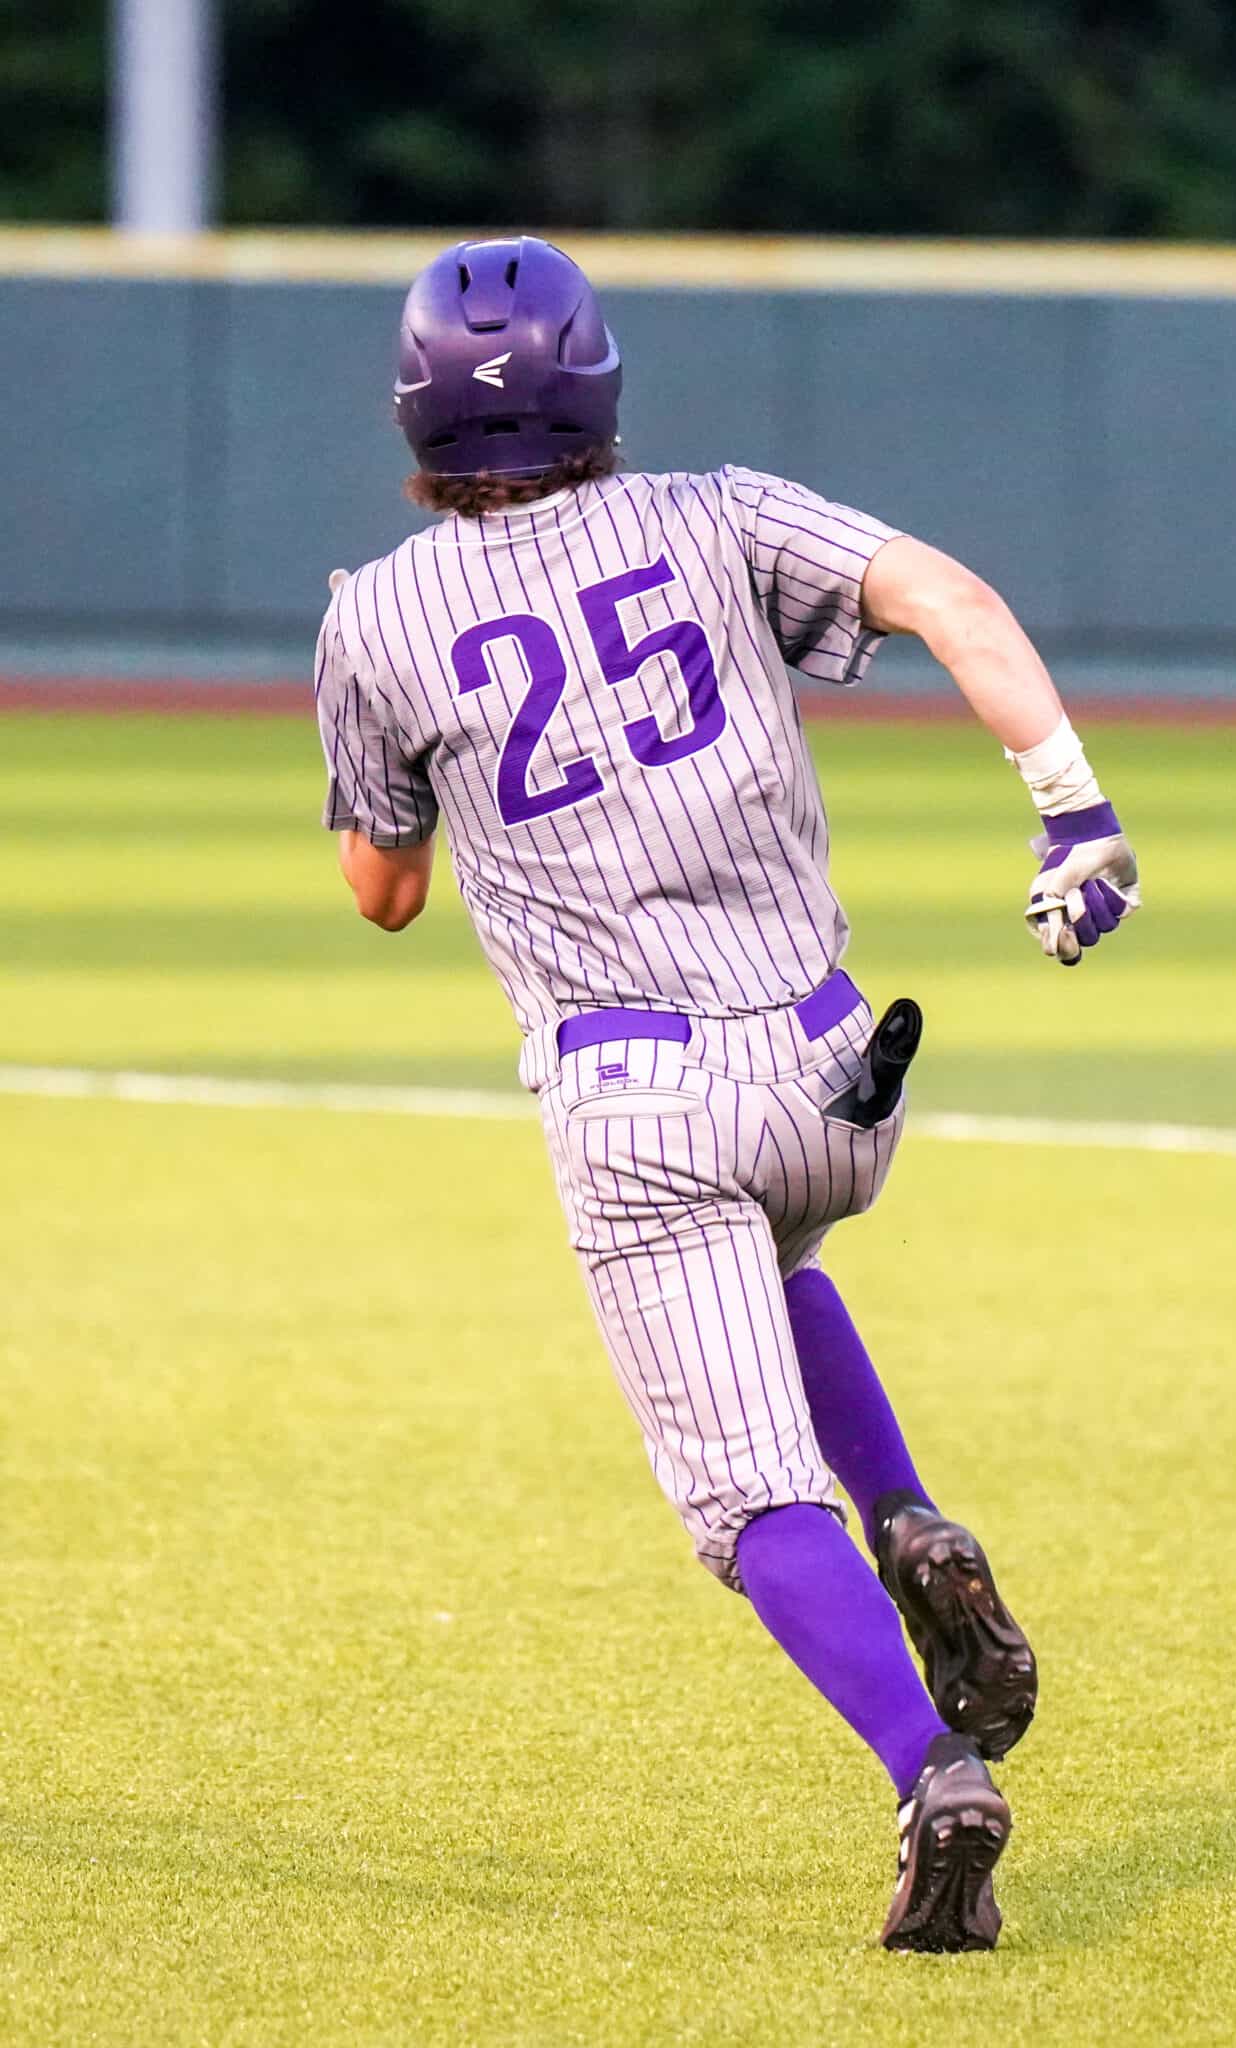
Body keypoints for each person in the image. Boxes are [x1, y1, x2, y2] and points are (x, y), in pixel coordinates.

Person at [314, 236, 1140, 1952]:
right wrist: (1073, 814)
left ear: (414, 412)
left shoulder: (374, 615)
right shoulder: (717, 511)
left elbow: (382, 892)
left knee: (746, 1496)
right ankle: (907, 1515)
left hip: (635, 1108)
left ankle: (933, 1777)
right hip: (837, 1073)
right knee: (775, 1254)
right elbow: (953, 604)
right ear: (598, 385)